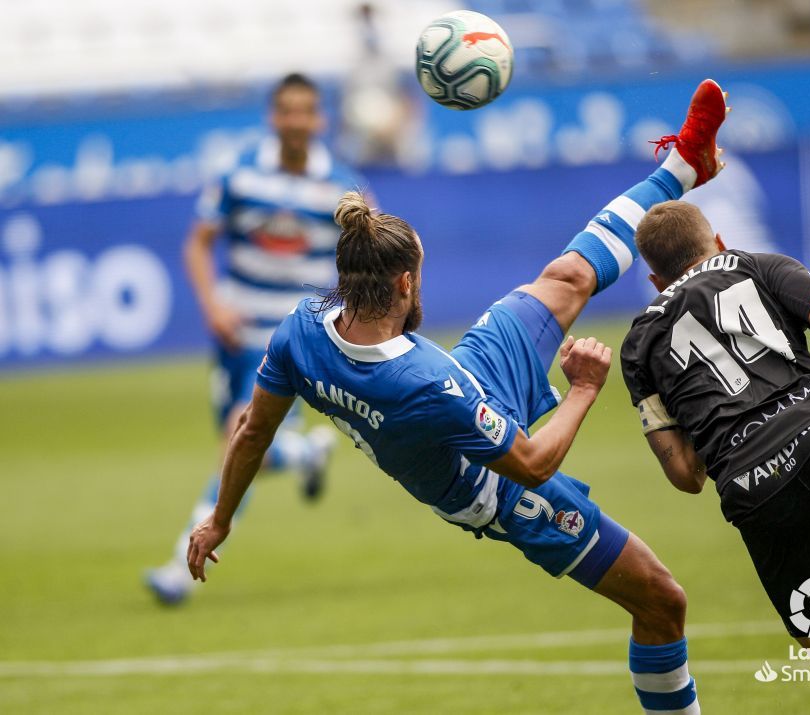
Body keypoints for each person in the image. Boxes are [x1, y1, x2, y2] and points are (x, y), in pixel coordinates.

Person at [187, 79, 730, 714]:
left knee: (567, 276)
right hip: (495, 490)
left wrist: (221, 518)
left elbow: (252, 430)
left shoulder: (301, 328)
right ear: (405, 283)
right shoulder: (425, 382)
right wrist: (583, 389)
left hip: (472, 376)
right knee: (662, 601)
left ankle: (683, 166)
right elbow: (532, 465)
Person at [620, 201, 810, 714]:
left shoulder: (639, 342)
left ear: (655, 280)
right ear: (718, 243)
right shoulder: (753, 264)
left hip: (758, 493)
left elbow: (685, 474)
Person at [146, 73, 366, 605]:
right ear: (274, 117)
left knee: (239, 439)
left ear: (320, 119)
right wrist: (212, 305)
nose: (296, 121)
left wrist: (344, 319)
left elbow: (369, 254)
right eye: (287, 110)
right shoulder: (240, 174)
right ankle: (303, 452)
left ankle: (182, 565)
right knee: (242, 449)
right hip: (236, 333)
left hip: (293, 337)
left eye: (306, 110)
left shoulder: (342, 187)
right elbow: (198, 244)